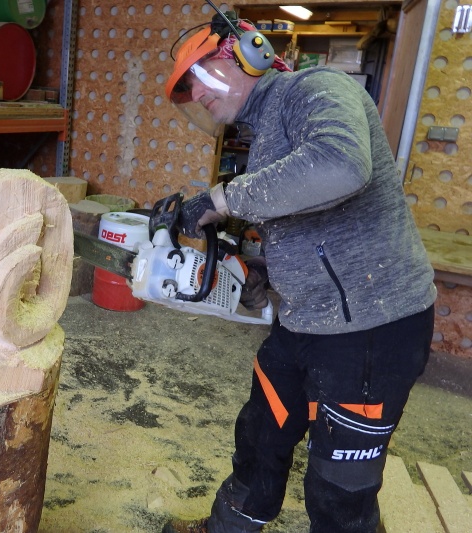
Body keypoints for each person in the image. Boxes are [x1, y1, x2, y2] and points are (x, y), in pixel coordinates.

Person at [161, 11, 437, 533]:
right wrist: (260, 266)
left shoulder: (316, 88)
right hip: (305, 319)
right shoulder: (265, 130)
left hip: (372, 328)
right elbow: (306, 223)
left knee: (339, 492)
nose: (197, 95)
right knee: (260, 434)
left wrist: (222, 199)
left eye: (202, 76)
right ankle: (230, 526)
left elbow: (340, 166)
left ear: (249, 52)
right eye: (189, 91)